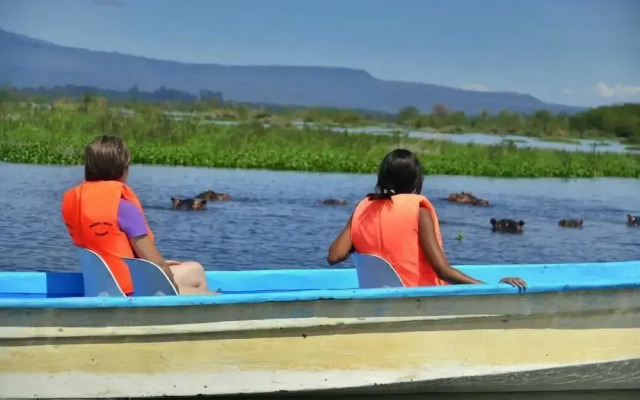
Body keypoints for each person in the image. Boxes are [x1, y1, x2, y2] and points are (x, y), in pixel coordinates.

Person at [327, 148, 526, 289]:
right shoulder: (418, 210)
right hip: (416, 298)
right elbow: (442, 271)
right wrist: (490, 288)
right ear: (417, 179)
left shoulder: (363, 207)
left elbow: (334, 256)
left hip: (374, 295)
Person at [61, 135, 216, 296]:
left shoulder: (75, 203)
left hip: (99, 287)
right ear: (123, 169)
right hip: (129, 291)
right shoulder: (123, 207)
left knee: (195, 270)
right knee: (207, 289)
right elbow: (158, 266)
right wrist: (168, 281)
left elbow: (106, 250)